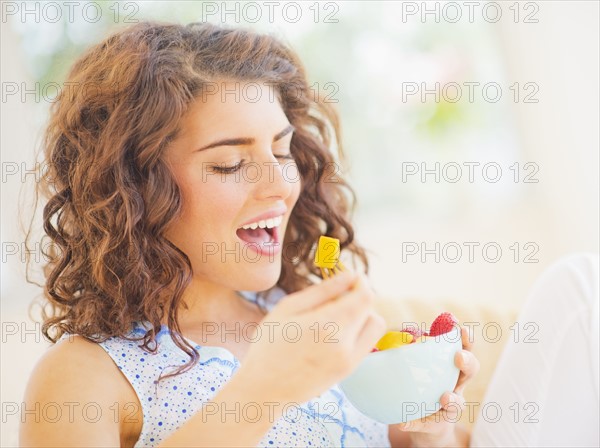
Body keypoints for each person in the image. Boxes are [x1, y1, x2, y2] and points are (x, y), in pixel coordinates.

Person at [20, 21, 478, 447]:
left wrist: (424, 434)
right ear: (134, 190)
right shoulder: (83, 377)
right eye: (230, 164)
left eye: (282, 151)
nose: (281, 184)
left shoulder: (314, 322)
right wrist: (262, 392)